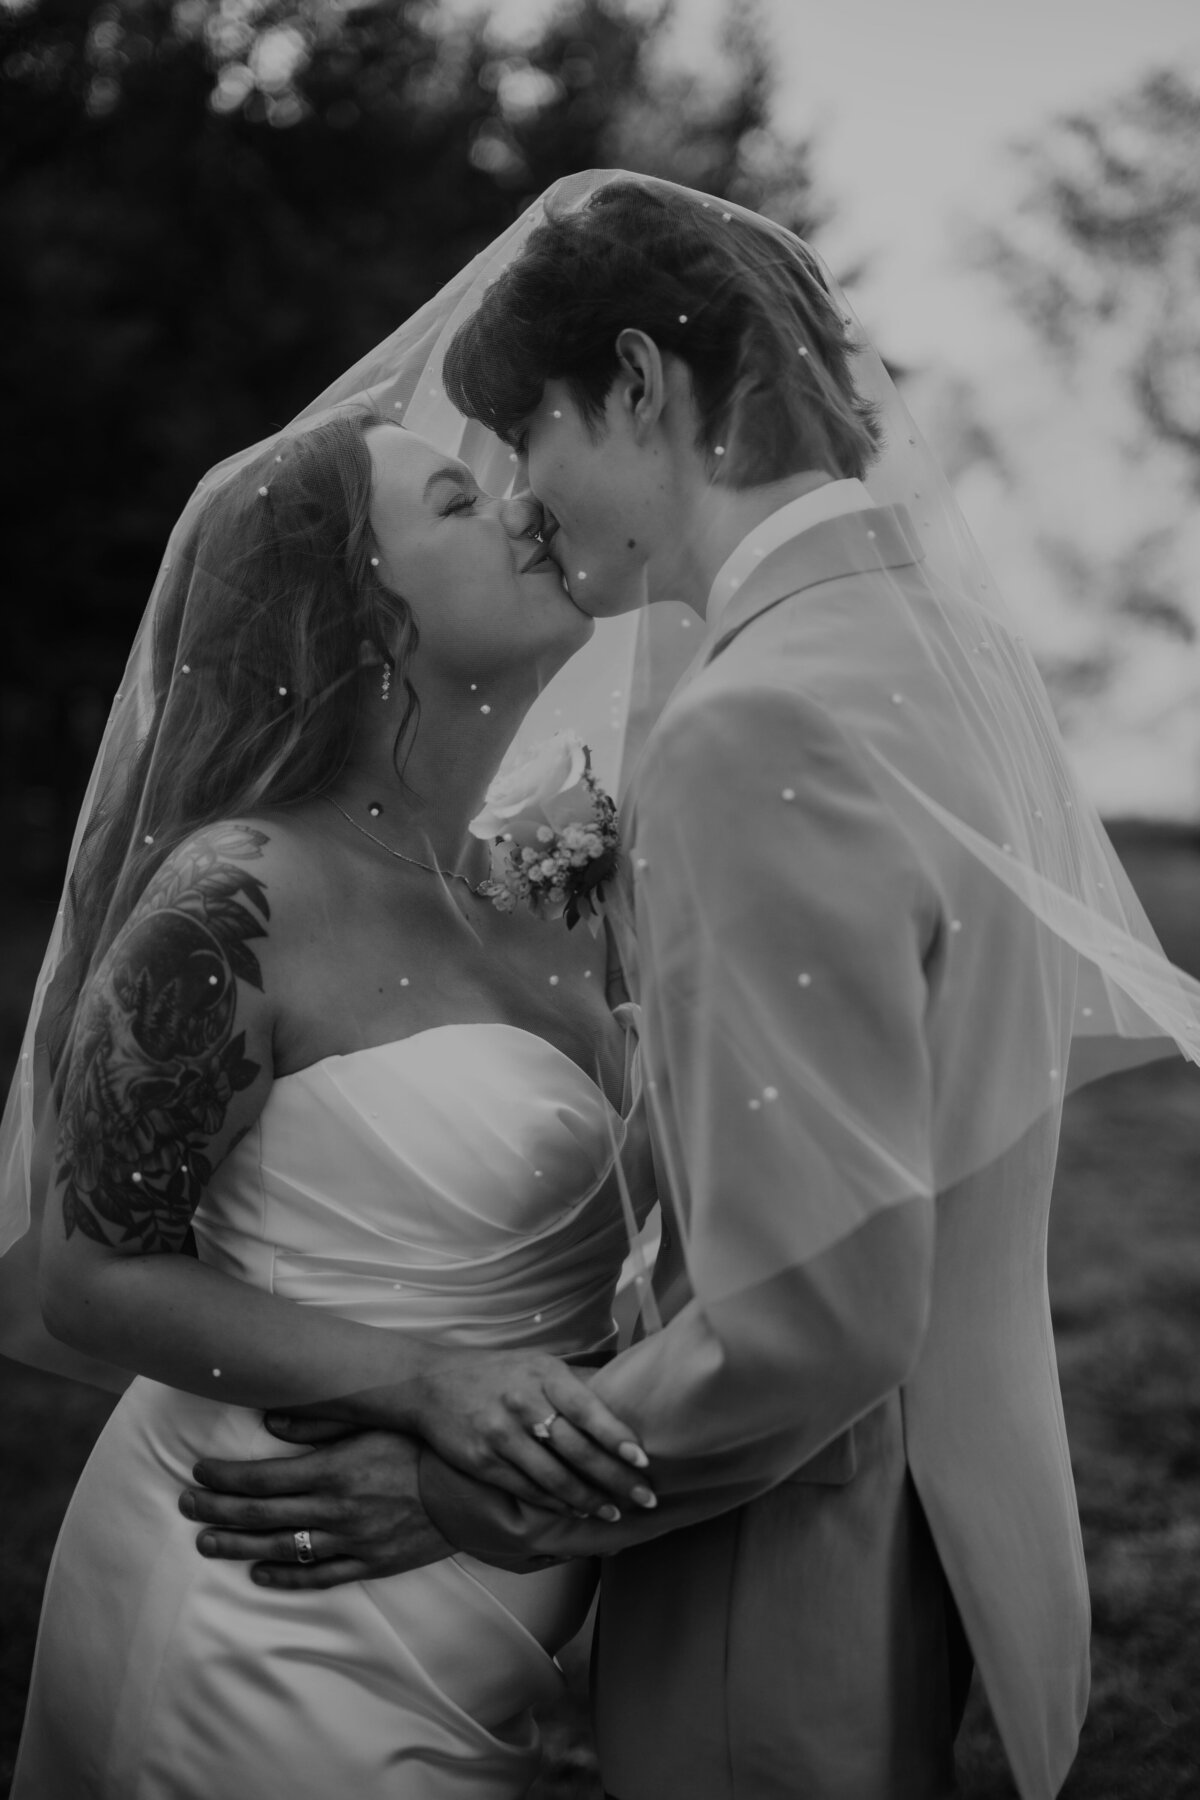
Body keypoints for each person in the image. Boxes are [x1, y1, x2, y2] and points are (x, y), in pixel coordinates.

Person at [182, 175, 1200, 1800]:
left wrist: (465, 1496)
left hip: (778, 1574)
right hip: (932, 1528)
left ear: (643, 386)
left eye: (532, 436)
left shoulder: (749, 724)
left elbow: (812, 1319)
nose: (522, 498)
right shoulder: (944, 646)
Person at [9, 407, 660, 1800]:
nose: (527, 512)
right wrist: (427, 1388)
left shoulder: (553, 889)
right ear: (356, 615)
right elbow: (88, 1277)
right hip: (259, 1592)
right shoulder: (240, 893)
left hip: (493, 1604)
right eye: (454, 505)